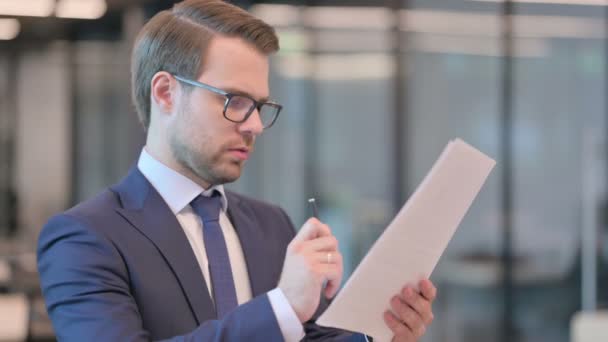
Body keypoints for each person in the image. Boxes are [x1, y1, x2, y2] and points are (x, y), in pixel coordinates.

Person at [37, 1, 437, 341]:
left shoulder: (270, 224)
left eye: (260, 106)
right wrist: (281, 308)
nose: (254, 126)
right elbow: (281, 320)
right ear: (165, 93)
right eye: (234, 101)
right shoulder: (85, 237)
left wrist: (377, 331)